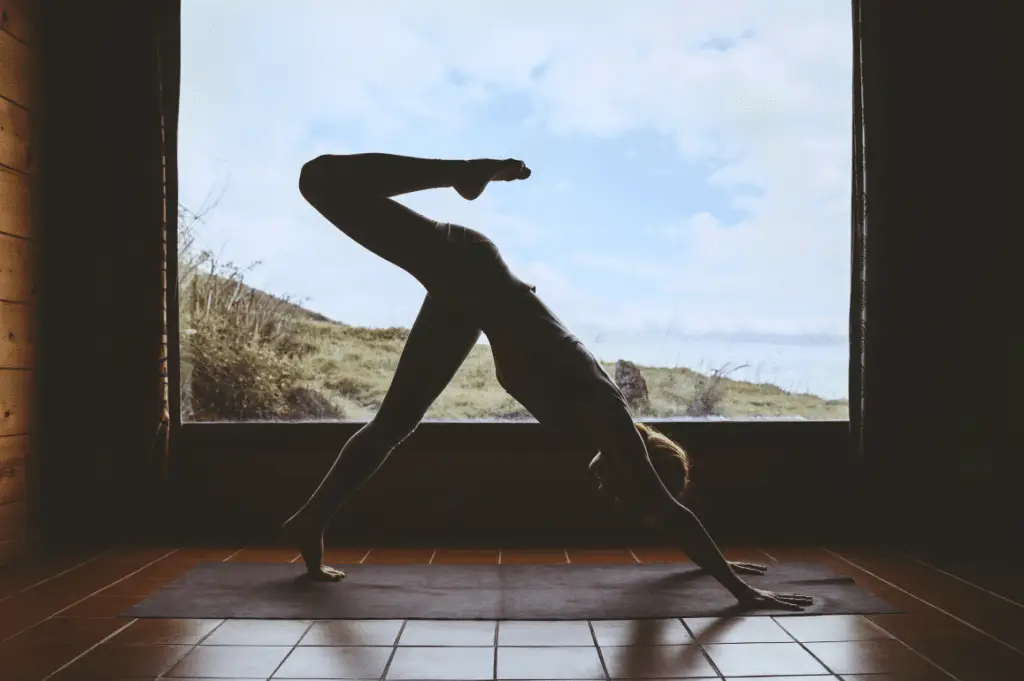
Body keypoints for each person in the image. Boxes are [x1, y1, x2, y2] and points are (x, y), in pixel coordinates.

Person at [283, 152, 812, 612]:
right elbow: (670, 513)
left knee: (394, 423)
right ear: (639, 467)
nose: (610, 494)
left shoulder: (592, 427)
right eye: (625, 490)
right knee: (320, 179)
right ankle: (464, 172)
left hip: (466, 300)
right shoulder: (608, 415)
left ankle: (310, 520)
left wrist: (710, 564)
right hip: (467, 267)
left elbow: (667, 515)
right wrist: (739, 591)